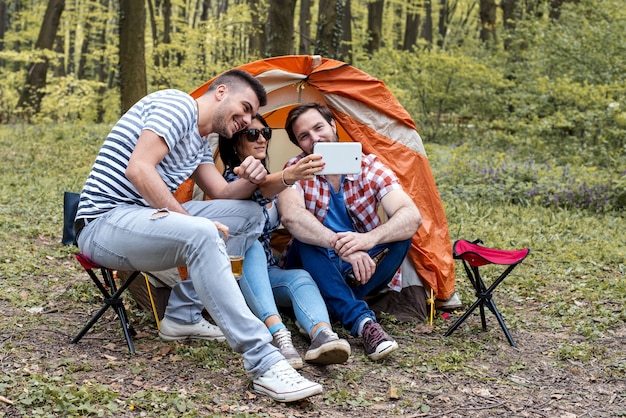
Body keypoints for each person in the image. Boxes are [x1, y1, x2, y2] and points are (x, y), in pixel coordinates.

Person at [73, 69, 322, 403]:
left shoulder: (199, 141)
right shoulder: (178, 105)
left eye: (252, 115)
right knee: (202, 231)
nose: (246, 121)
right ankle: (264, 361)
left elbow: (221, 191)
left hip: (140, 220)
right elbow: (139, 169)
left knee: (249, 215)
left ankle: (182, 316)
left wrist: (252, 176)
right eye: (245, 108)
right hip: (103, 223)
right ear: (220, 92)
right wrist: (190, 223)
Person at [277, 103, 423, 361]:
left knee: (402, 237)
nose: (315, 139)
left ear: (333, 125)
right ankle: (364, 324)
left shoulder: (369, 167)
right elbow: (291, 216)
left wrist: (367, 240)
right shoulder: (297, 168)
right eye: (304, 136)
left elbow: (411, 216)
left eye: (318, 128)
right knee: (306, 238)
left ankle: (330, 308)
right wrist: (337, 244)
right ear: (299, 145)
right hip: (313, 261)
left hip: (357, 268)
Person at [217, 114, 351, 369]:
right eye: (252, 134)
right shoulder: (230, 182)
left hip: (266, 272)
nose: (262, 139)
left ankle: (322, 335)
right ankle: (278, 335)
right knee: (252, 245)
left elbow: (273, 190)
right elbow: (256, 190)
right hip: (234, 273)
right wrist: (290, 175)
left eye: (265, 133)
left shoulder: (270, 178)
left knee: (299, 277)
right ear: (235, 143)